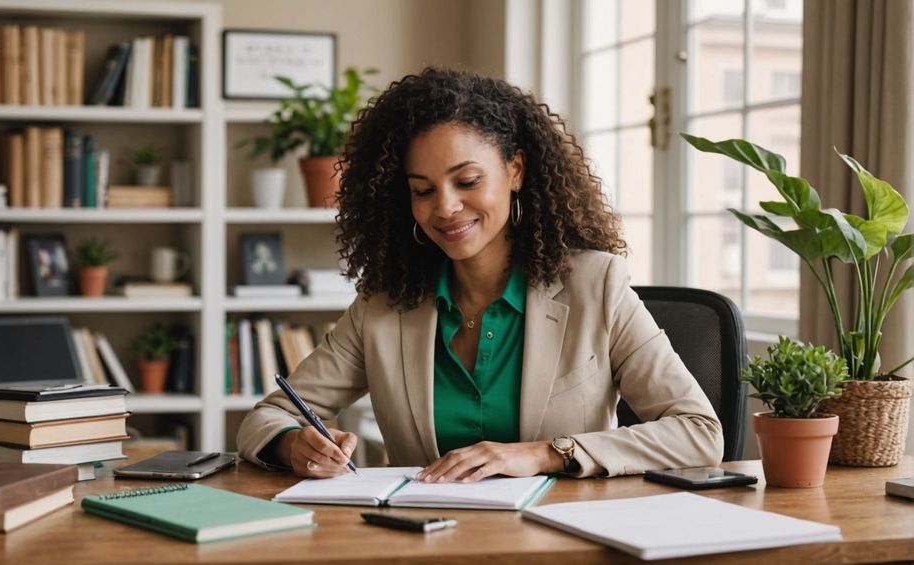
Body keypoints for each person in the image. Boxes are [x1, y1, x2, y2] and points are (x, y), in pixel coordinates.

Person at [237, 67, 722, 482]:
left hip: (561, 541)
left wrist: (546, 453)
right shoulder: (383, 305)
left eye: (467, 181)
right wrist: (292, 445)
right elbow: (269, 415)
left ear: (515, 171)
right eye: (422, 190)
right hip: (423, 538)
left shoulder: (597, 286)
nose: (445, 208)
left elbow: (698, 431)